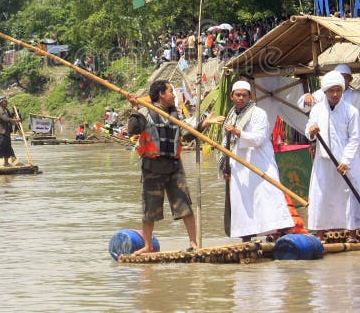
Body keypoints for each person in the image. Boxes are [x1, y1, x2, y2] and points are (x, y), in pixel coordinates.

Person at [207, 80, 294, 241]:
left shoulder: (258, 113)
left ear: (250, 97)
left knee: (269, 197)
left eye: (244, 95)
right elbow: (226, 143)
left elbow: (259, 139)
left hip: (260, 163)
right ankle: (246, 237)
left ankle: (279, 233)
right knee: (242, 202)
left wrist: (238, 132)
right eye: (237, 95)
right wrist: (226, 167)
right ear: (232, 96)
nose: (240, 98)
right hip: (239, 166)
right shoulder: (231, 116)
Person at [126, 80, 203, 254]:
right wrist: (134, 109)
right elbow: (133, 129)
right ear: (161, 94)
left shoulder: (175, 114)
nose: (173, 95)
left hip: (174, 166)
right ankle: (147, 245)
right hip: (152, 167)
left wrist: (204, 124)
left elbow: (186, 135)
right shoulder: (146, 111)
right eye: (170, 91)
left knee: (185, 205)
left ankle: (194, 242)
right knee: (149, 208)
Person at [304, 71, 360, 243]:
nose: (335, 94)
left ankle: (352, 234)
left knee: (349, 195)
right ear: (325, 92)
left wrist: (345, 161)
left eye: (338, 90)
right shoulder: (317, 110)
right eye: (331, 91)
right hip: (323, 161)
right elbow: (309, 127)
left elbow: (355, 138)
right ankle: (320, 234)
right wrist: (311, 131)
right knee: (322, 195)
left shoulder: (351, 111)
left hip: (345, 162)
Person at [0, 96, 19, 167]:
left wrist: (14, 111)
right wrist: (16, 120)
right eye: (4, 102)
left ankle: (6, 162)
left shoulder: (6, 110)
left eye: (6, 101)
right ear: (1, 103)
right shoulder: (0, 111)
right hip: (1, 132)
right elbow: (6, 119)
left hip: (7, 131)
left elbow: (10, 116)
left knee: (7, 147)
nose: (6, 103)